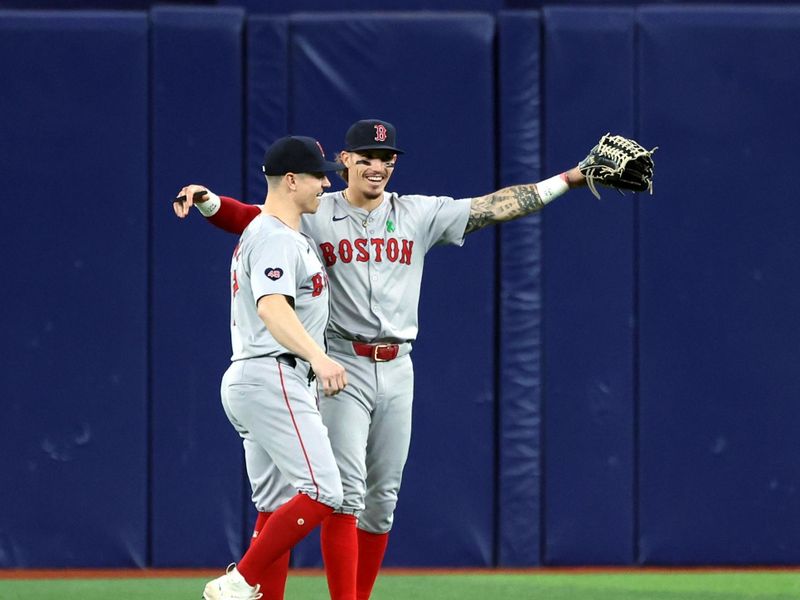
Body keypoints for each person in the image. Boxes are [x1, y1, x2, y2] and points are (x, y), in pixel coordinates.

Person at [175, 119, 592, 600]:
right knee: (340, 494)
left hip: (397, 365)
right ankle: (263, 584)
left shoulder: (417, 213)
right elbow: (254, 216)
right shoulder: (313, 209)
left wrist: (570, 178)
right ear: (346, 159)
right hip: (337, 362)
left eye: (386, 157)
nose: (377, 165)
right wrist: (209, 203)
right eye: (366, 156)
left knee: (382, 502)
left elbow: (492, 208)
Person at [200, 135, 348, 600]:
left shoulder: (274, 233)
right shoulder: (273, 236)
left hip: (258, 376)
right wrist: (318, 356)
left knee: (276, 505)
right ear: (290, 180)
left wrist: (209, 202)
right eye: (318, 175)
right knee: (326, 491)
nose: (326, 183)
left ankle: (248, 584)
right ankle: (240, 580)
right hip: (273, 374)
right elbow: (271, 307)